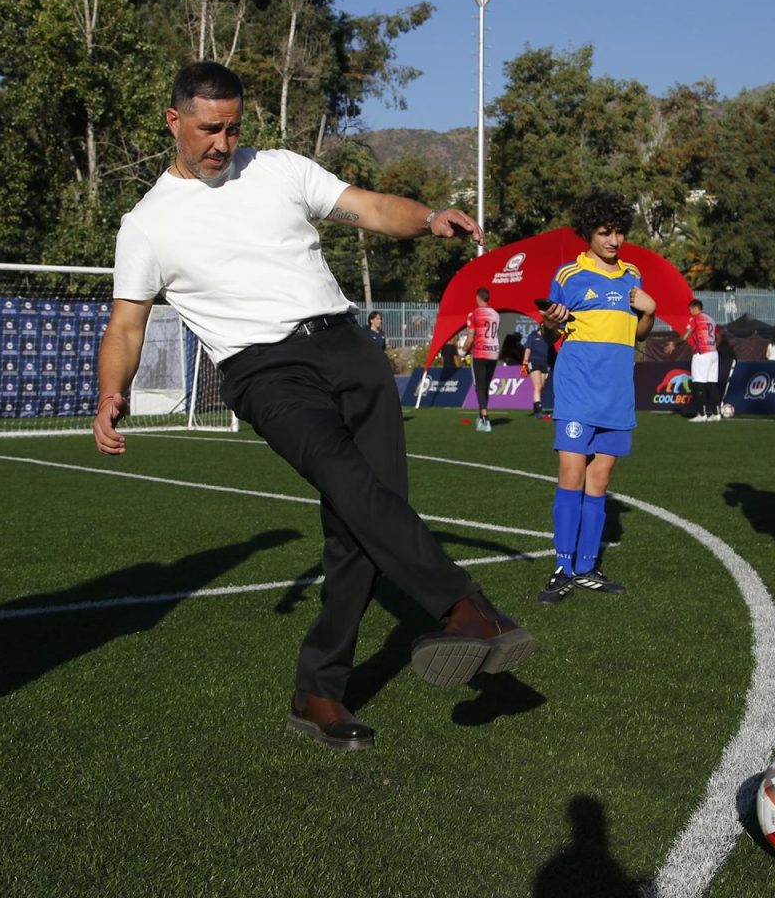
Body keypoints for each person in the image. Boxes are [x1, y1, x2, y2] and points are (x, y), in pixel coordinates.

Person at [93, 62, 535, 751]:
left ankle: (317, 691)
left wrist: (428, 218)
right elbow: (126, 324)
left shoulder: (278, 169)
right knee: (347, 481)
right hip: (265, 371)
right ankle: (463, 606)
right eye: (209, 128)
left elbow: (367, 206)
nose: (223, 142)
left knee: (361, 522)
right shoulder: (146, 224)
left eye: (233, 126)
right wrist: (109, 392)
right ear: (174, 121)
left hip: (346, 345)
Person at [536, 190, 656, 603]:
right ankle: (562, 567)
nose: (614, 240)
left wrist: (650, 312)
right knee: (571, 473)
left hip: (617, 395)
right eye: (605, 232)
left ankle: (587, 568)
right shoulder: (569, 276)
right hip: (577, 391)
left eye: (620, 232)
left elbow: (639, 335)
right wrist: (551, 323)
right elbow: (551, 331)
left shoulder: (633, 276)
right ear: (588, 233)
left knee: (600, 479)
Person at [458, 288, 500, 431]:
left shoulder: (474, 314)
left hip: (480, 352)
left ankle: (485, 418)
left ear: (478, 298)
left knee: (480, 386)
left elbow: (470, 337)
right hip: (493, 352)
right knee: (485, 386)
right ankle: (481, 415)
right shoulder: (495, 314)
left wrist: (463, 350)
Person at [680, 299, 721, 421]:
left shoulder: (695, 319)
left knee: (699, 383)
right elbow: (719, 337)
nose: (690, 312)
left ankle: (702, 415)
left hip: (702, 354)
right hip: (714, 353)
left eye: (690, 310)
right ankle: (716, 414)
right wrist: (713, 346)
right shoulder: (711, 320)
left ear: (695, 308)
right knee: (712, 384)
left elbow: (686, 336)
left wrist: (674, 344)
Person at [521, 322, 559, 419]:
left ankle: (537, 408)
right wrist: (525, 363)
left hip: (544, 364)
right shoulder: (533, 336)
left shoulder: (548, 339)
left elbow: (551, 352)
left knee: (541, 387)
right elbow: (528, 350)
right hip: (534, 362)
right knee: (537, 386)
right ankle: (538, 410)